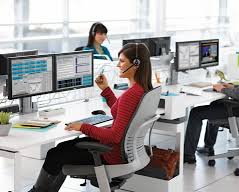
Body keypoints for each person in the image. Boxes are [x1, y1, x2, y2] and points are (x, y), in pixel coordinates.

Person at [28, 43, 152, 192]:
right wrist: (106, 90)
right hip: (123, 152)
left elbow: (115, 136)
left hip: (110, 154)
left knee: (55, 154)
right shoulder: (141, 90)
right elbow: (121, 112)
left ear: (136, 65)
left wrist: (83, 127)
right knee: (62, 149)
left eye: (122, 61)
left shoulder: (130, 95)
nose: (118, 65)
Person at [184, 31, 239, 164]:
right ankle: (208, 147)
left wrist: (222, 88)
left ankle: (188, 155)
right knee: (215, 104)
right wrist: (231, 87)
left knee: (195, 112)